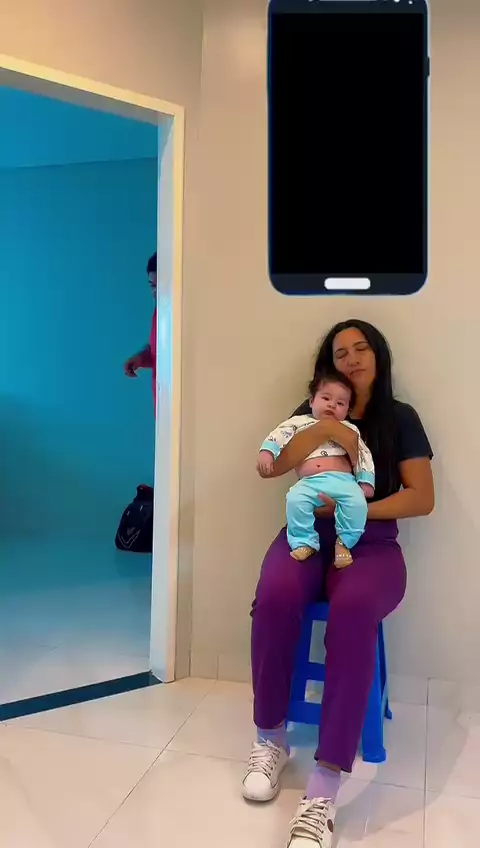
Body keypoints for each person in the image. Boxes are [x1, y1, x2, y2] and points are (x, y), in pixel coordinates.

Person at [243, 320, 434, 848]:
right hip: (307, 532)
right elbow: (278, 467)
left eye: (360, 348)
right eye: (340, 352)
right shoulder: (312, 411)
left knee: (352, 612)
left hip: (372, 543)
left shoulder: (400, 418)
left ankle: (324, 789)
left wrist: (356, 509)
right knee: (276, 596)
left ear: (379, 356)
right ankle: (270, 739)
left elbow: (422, 498)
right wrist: (321, 427)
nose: (351, 359)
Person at [257, 369, 375, 567]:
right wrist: (267, 453)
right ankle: (305, 542)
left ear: (347, 410)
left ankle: (344, 543)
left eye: (340, 403)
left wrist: (365, 480)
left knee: (357, 504)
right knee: (295, 500)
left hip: (343, 481)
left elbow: (363, 454)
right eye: (326, 398)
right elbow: (277, 436)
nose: (332, 405)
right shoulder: (298, 423)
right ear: (312, 401)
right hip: (309, 482)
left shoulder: (349, 429)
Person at [124, 252, 157, 408]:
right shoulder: (159, 315)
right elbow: (160, 356)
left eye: (161, 285)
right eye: (152, 286)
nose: (156, 292)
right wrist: (141, 358)